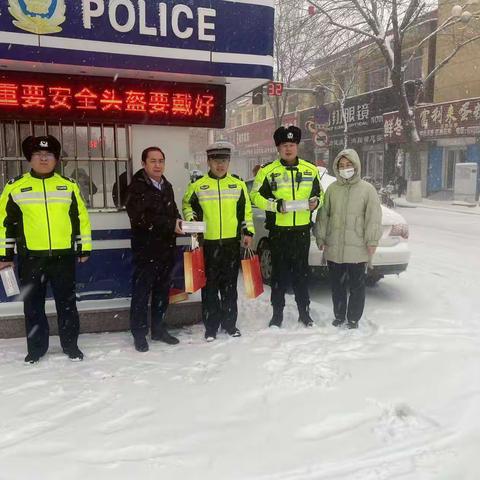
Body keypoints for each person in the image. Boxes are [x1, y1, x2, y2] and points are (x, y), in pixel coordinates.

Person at [0, 135, 91, 363]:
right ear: (30, 158)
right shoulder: (16, 187)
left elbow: (80, 218)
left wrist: (83, 248)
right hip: (31, 257)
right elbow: (4, 224)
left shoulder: (68, 186)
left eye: (49, 155)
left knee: (67, 304)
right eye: (38, 155)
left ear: (56, 159)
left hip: (63, 257)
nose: (43, 158)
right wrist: (5, 255)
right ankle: (36, 349)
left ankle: (71, 346)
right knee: (33, 306)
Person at [250, 126, 322, 328]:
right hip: (278, 233)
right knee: (279, 276)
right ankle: (277, 314)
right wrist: (275, 205)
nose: (288, 149)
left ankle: (304, 313)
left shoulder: (310, 170)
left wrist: (316, 202)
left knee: (302, 274)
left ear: (297, 146)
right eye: (284, 145)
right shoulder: (268, 171)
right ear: (278, 148)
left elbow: (321, 195)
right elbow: (255, 196)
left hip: (301, 231)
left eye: (291, 145)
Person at [182, 141, 255, 342]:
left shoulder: (238, 185)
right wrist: (191, 220)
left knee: (230, 287)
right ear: (208, 161)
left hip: (231, 244)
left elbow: (246, 212)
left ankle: (230, 324)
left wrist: (248, 232)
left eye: (223, 160)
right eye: (216, 160)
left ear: (229, 161)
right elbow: (187, 205)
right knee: (210, 287)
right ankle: (211, 327)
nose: (220, 165)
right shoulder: (198, 186)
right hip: (209, 244)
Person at [314, 149, 382, 329]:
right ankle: (339, 315)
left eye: (348, 165)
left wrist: (372, 241)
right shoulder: (332, 189)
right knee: (337, 285)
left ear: (356, 166)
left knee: (357, 287)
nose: (345, 168)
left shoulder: (367, 190)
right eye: (341, 166)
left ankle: (353, 319)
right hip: (334, 246)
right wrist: (320, 236)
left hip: (357, 248)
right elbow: (323, 215)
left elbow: (373, 218)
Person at [125, 147, 183, 352]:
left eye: (161, 161)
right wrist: (170, 224)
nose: (158, 165)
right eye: (153, 161)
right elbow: (140, 218)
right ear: (144, 164)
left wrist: (182, 224)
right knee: (141, 294)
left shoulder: (166, 185)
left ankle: (158, 329)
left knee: (162, 292)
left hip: (166, 250)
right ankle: (139, 334)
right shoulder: (136, 187)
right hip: (146, 251)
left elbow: (173, 210)